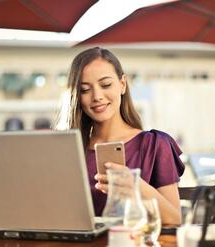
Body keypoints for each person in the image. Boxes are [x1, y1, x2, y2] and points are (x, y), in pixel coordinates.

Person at [66, 47, 185, 225]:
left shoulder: (154, 144)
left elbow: (175, 219)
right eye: (85, 90)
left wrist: (135, 186)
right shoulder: (70, 151)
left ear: (122, 84)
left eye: (105, 85)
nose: (97, 96)